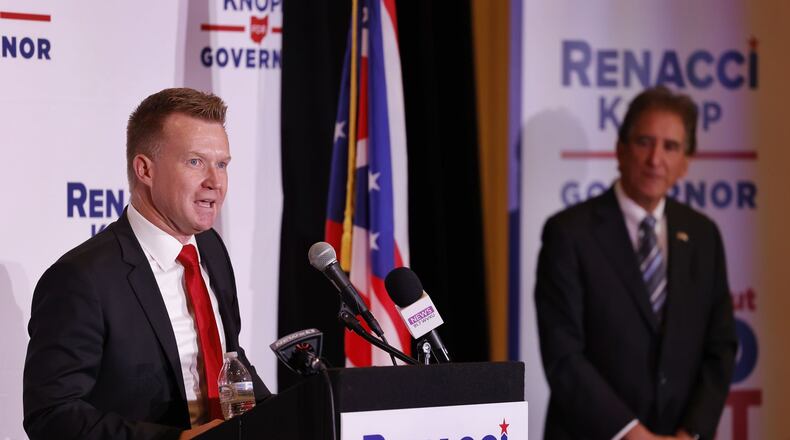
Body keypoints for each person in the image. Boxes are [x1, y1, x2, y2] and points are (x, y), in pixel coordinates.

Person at [23, 88, 270, 440]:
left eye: (222, 164)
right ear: (145, 169)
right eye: (195, 162)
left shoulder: (211, 249)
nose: (215, 182)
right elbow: (51, 415)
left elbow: (229, 358)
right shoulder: (81, 280)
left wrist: (281, 416)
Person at [535, 86, 737, 440]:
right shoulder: (568, 234)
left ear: (685, 163)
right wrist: (632, 434)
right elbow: (563, 354)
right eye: (645, 142)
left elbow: (720, 347)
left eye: (671, 147)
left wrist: (691, 433)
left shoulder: (703, 235)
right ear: (620, 150)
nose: (655, 159)